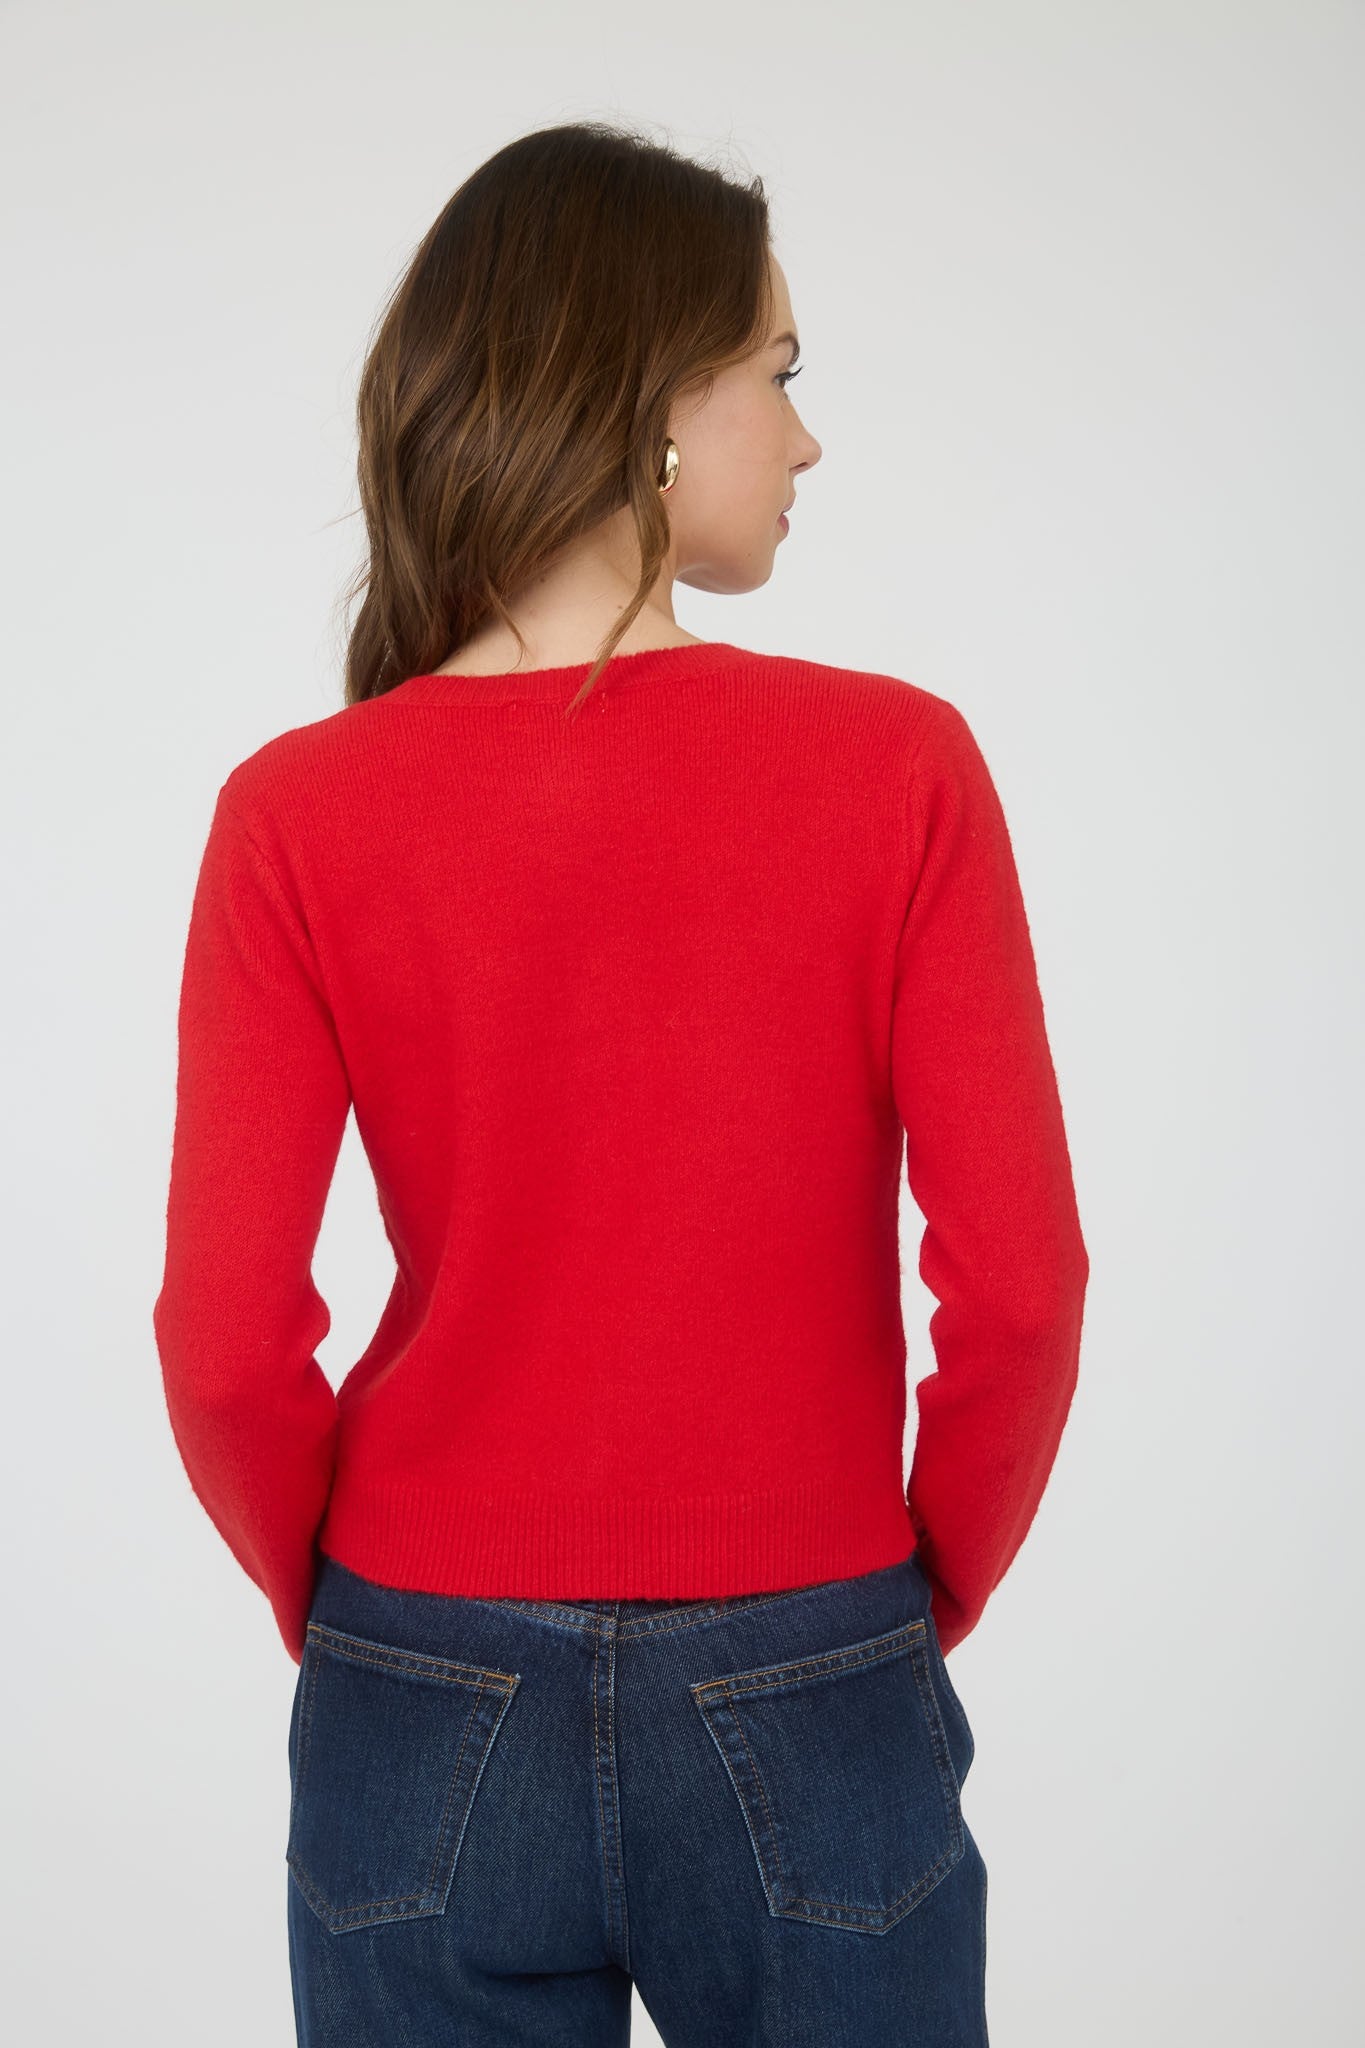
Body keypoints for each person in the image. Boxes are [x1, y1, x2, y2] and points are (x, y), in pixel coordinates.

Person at [153, 118, 1089, 2047]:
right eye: (780, 374)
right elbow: (1021, 1287)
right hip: (811, 1644)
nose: (806, 441)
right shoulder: (896, 769)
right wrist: (903, 1601)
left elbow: (222, 1341)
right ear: (654, 400)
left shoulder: (296, 813)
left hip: (418, 1669)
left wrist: (359, 1616)